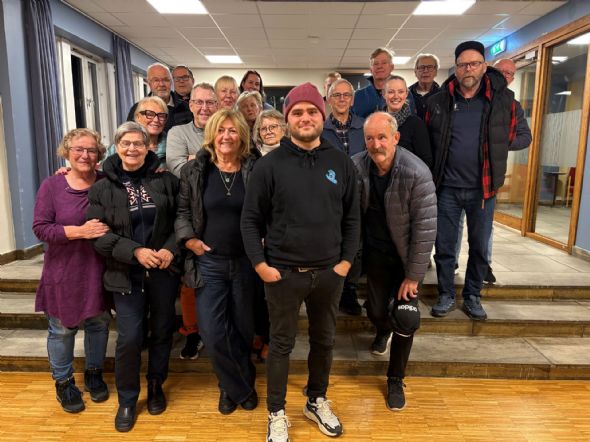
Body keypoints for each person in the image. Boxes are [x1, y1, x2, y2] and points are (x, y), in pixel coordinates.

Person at [241, 82, 360, 441]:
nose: (305, 117)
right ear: (287, 119)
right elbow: (250, 221)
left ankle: (316, 400)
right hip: (283, 275)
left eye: (311, 111)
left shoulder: (340, 162)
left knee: (324, 341)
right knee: (281, 345)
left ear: (322, 116)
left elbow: (353, 218)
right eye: (297, 112)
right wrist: (261, 266)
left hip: (328, 274)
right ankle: (276, 412)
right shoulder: (268, 166)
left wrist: (345, 264)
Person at [426, 41, 531, 321]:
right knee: (445, 247)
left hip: (483, 189)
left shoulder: (504, 101)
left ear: (484, 66)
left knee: (480, 247)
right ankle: (446, 294)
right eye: (462, 65)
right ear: (456, 68)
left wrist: (497, 144)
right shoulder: (439, 101)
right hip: (446, 188)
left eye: (474, 63)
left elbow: (524, 136)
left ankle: (473, 296)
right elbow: (427, 140)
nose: (468, 69)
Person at [87, 121, 181, 432]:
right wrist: (136, 251)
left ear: (148, 146)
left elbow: (182, 220)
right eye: (125, 143)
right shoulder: (101, 188)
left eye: (138, 143)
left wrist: (170, 249)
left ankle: (155, 385)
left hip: (163, 271)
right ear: (117, 146)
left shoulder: (165, 180)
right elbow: (98, 236)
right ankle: (127, 399)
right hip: (124, 274)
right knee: (129, 339)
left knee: (162, 332)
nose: (132, 149)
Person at [175, 109, 260, 415]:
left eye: (233, 130)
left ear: (242, 136)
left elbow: (270, 208)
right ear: (211, 134)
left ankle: (229, 386)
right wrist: (189, 240)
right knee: (212, 331)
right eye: (221, 130)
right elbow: (182, 212)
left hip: (246, 263)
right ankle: (240, 387)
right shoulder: (195, 170)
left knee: (242, 328)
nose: (226, 136)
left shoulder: (255, 168)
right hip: (208, 262)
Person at [353, 112, 436, 409]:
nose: (376, 144)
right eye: (370, 138)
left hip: (406, 260)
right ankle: (382, 329)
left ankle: (395, 379)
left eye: (382, 137)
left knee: (407, 317)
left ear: (396, 138)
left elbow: (426, 230)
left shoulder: (417, 172)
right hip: (376, 257)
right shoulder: (356, 166)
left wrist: (413, 276)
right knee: (376, 311)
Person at [33, 128, 110, 414]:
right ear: (67, 152)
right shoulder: (52, 185)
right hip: (64, 270)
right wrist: (80, 231)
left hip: (98, 268)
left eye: (91, 150)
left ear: (99, 154)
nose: (85, 155)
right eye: (78, 149)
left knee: (98, 323)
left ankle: (94, 373)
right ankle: (64, 383)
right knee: (62, 329)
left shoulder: (106, 182)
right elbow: (41, 228)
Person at [453, 58, 533, 284]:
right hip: (455, 179)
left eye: (510, 73)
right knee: (455, 225)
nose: (505, 76)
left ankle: (484, 266)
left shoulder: (511, 104)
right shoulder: (474, 98)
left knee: (483, 230)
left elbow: (525, 137)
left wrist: (499, 143)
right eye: (501, 71)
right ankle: (453, 264)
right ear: (490, 72)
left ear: (513, 78)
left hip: (486, 180)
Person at [322, 78, 365, 316]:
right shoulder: (321, 130)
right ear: (329, 99)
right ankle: (331, 291)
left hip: (360, 195)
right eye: (336, 95)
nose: (341, 99)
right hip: (330, 198)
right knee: (331, 243)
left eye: (346, 95)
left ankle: (349, 291)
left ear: (352, 99)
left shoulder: (364, 126)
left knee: (355, 245)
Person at [250, 109, 288, 361]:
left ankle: (273, 339)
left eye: (274, 126)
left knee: (277, 294)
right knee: (256, 293)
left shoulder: (293, 156)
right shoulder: (251, 159)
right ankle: (261, 332)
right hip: (257, 232)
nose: (269, 131)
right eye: (264, 128)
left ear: (284, 129)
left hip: (283, 234)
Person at [167, 83, 218, 177]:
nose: (204, 108)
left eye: (210, 102)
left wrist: (195, 159)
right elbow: (179, 170)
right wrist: (217, 159)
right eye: (199, 102)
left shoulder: (225, 133)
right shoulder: (177, 133)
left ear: (217, 106)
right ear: (191, 105)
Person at [383, 75, 432, 169]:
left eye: (400, 92)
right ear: (384, 94)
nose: (396, 96)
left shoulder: (416, 124)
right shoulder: (375, 122)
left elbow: (426, 161)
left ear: (406, 94)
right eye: (391, 92)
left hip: (408, 176)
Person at [127, 63, 192, 132]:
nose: (161, 84)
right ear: (149, 83)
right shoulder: (137, 109)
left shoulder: (186, 108)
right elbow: (130, 134)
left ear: (171, 82)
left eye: (165, 80)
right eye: (156, 80)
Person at [109, 96, 169, 167]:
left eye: (161, 116)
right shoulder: (119, 146)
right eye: (150, 114)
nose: (156, 120)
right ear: (138, 117)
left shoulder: (173, 146)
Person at [352, 48, 395, 118]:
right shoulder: (357, 96)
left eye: (384, 63)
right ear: (371, 69)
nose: (380, 66)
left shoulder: (404, 95)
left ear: (392, 67)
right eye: (376, 64)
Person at [409, 53, 441, 120]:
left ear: (436, 71)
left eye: (430, 67)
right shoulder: (406, 94)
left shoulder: (444, 95)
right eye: (421, 67)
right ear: (415, 72)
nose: (425, 71)